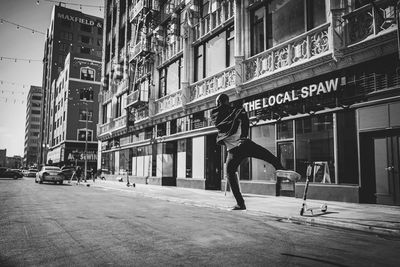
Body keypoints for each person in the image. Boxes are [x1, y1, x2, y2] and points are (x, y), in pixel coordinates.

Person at [211, 93, 301, 210]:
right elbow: (245, 120)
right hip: (243, 144)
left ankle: (240, 203)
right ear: (228, 101)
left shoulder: (216, 114)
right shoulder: (237, 111)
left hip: (233, 151)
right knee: (266, 155)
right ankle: (281, 168)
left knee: (230, 174)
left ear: (218, 103)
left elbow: (220, 122)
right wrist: (243, 135)